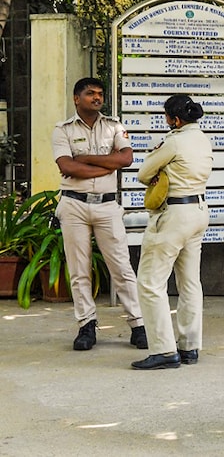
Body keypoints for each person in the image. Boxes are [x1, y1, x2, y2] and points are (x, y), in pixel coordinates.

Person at [52, 77, 147, 351]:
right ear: (76, 98)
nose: (97, 98)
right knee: (79, 270)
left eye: (100, 94)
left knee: (121, 267)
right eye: (90, 93)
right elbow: (66, 165)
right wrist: (107, 165)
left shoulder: (114, 126)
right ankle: (86, 325)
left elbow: (126, 159)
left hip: (107, 206)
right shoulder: (63, 130)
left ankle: (138, 324)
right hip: (74, 206)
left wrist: (83, 160)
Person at [131, 95, 213, 370]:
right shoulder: (202, 139)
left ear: (175, 119)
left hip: (174, 215)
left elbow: (143, 174)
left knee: (150, 282)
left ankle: (164, 350)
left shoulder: (174, 141)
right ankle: (189, 346)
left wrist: (158, 166)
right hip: (199, 211)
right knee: (190, 282)